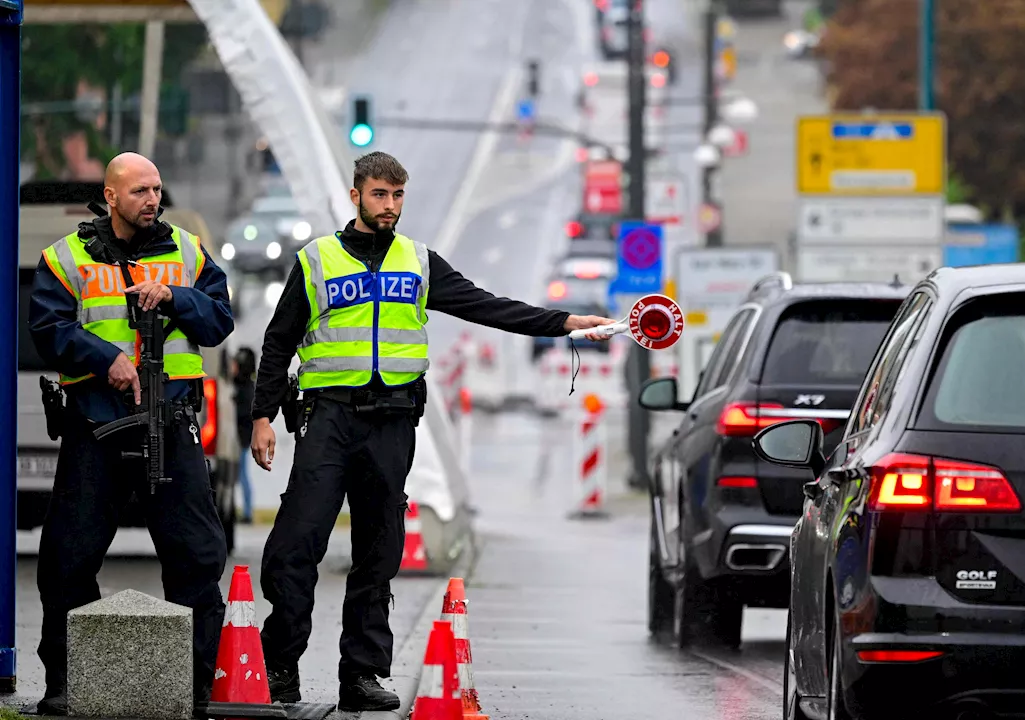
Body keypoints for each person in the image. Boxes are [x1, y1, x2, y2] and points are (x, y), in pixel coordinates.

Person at [249, 151, 616, 711]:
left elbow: (486, 307)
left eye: (397, 196)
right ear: (356, 196)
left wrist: (564, 322)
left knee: (379, 552)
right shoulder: (317, 260)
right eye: (379, 195)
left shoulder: (418, 261)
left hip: (392, 423)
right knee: (296, 545)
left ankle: (364, 676)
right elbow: (278, 343)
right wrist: (262, 417)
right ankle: (279, 668)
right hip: (327, 420)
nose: (390, 206)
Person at [28, 152, 235, 714]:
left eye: (157, 189)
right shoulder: (66, 257)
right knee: (67, 557)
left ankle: (195, 686)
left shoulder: (186, 251)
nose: (153, 200)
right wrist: (105, 360)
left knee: (197, 554)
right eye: (141, 190)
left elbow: (219, 320)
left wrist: (176, 297)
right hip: (97, 423)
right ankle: (67, 683)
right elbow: (48, 328)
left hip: (171, 422)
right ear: (112, 195)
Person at [232, 346, 257, 523]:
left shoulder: (245, 388)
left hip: (240, 438)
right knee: (241, 475)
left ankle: (247, 512)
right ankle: (246, 511)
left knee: (241, 475)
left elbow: (244, 414)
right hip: (241, 437)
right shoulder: (245, 386)